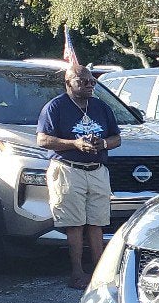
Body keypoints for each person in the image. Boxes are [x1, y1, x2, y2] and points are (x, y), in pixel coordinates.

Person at [36, 62, 121, 289]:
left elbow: (117, 138)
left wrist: (103, 143)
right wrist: (74, 143)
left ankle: (99, 273)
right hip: (68, 169)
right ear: (68, 83)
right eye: (83, 81)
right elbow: (43, 139)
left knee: (97, 223)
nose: (89, 85)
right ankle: (77, 273)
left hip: (97, 170)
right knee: (74, 224)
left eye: (92, 81)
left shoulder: (101, 107)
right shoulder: (56, 107)